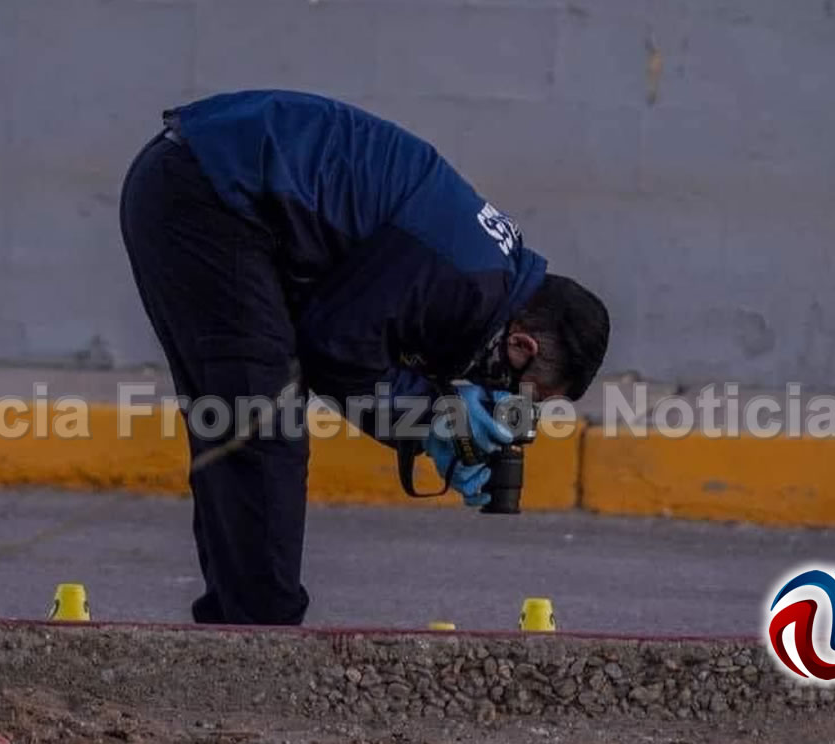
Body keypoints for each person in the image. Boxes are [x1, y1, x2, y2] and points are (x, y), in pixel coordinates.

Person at [119, 90, 609, 626]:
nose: (510, 406)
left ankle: (239, 626)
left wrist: (426, 419)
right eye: (525, 394)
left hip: (205, 180)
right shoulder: (466, 281)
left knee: (244, 420)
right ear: (521, 345)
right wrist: (431, 417)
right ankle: (259, 636)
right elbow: (334, 346)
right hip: (209, 194)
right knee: (259, 422)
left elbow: (354, 327)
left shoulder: (493, 270)